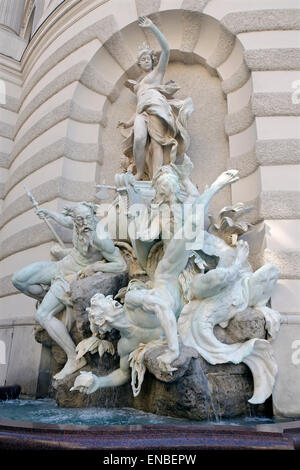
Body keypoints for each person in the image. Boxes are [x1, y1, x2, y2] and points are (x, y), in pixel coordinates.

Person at [12, 202, 127, 380]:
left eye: (88, 218)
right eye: (80, 220)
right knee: (19, 279)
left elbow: (121, 265)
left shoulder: (100, 237)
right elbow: (66, 221)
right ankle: (49, 298)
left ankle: (73, 358)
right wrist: (49, 213)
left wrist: (95, 266)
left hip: (72, 277)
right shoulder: (77, 224)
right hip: (62, 266)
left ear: (92, 215)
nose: (84, 223)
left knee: (42, 316)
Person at [118, 16, 193, 180]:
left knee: (157, 144)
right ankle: (139, 172)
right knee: (139, 139)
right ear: (139, 64)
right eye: (141, 60)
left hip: (157, 110)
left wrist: (152, 27)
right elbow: (140, 105)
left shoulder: (157, 74)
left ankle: (156, 177)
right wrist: (128, 123)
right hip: (142, 113)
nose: (145, 61)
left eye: (147, 58)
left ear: (152, 60)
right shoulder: (139, 85)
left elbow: (166, 50)